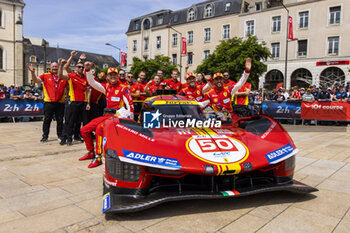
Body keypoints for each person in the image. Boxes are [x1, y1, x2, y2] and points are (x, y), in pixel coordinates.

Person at [80, 66, 134, 168]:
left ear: (118, 76)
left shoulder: (123, 89)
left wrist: (129, 122)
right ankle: (91, 152)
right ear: (107, 77)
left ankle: (98, 156)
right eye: (110, 75)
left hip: (117, 118)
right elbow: (92, 83)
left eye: (114, 74)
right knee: (84, 130)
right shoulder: (107, 87)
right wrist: (87, 71)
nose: (113, 76)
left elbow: (130, 106)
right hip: (106, 116)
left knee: (99, 129)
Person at [27, 62, 67, 142]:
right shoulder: (45, 75)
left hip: (60, 102)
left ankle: (60, 135)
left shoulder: (63, 77)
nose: (55, 68)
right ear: (50, 68)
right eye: (53, 67)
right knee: (47, 120)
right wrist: (32, 72)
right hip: (49, 102)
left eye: (56, 66)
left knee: (60, 120)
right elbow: (35, 80)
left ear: (59, 67)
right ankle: (45, 136)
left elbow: (68, 87)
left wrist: (67, 97)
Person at [58, 51, 90, 146]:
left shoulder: (85, 78)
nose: (81, 68)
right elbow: (61, 75)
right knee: (69, 121)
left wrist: (88, 102)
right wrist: (62, 64)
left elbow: (88, 91)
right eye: (79, 67)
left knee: (78, 121)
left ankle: (75, 136)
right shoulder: (71, 75)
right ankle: (67, 138)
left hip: (82, 102)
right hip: (73, 101)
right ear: (76, 68)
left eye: (82, 67)